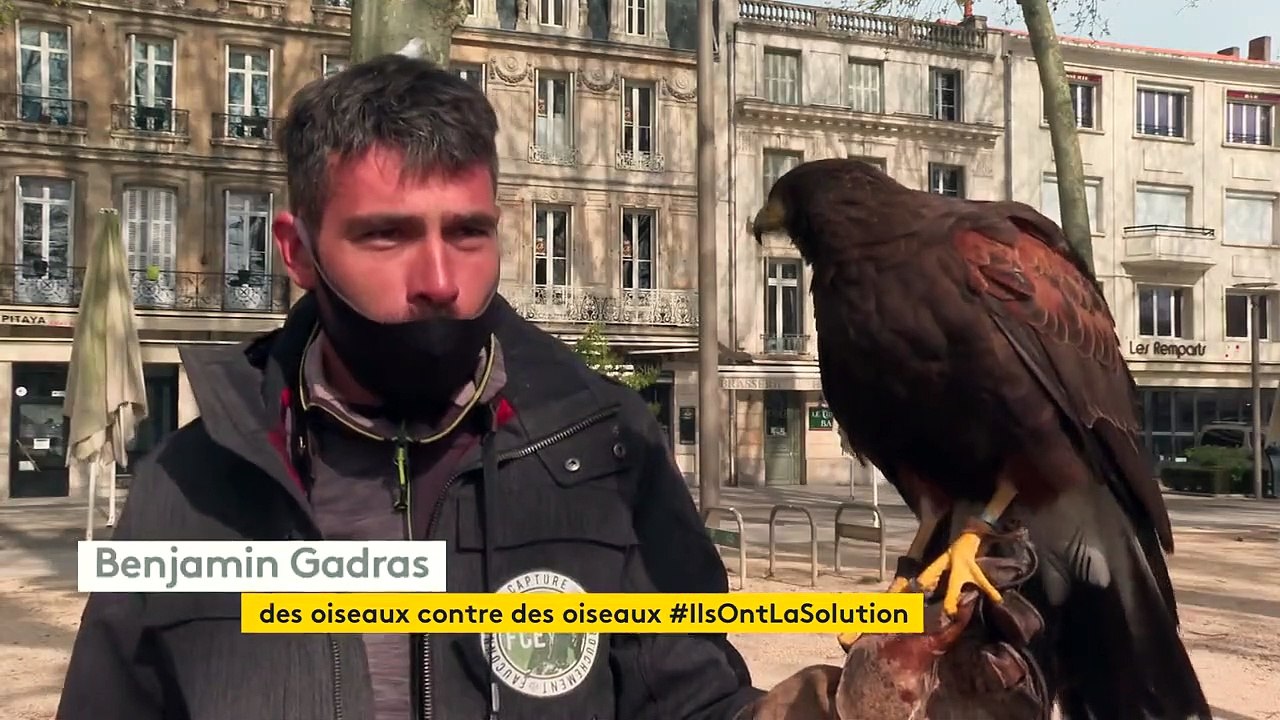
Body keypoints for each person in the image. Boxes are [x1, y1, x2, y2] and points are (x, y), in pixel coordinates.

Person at [55, 53, 773, 720]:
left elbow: (691, 697)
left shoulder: (604, 447)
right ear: (297, 252)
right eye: (386, 236)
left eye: (467, 233)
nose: (439, 281)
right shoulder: (186, 490)